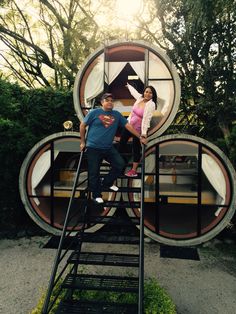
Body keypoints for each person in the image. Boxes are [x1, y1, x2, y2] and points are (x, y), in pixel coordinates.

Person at [80, 92, 147, 203]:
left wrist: (140, 137)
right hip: (93, 148)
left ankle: (106, 182)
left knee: (120, 164)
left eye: (111, 100)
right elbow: (82, 125)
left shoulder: (117, 114)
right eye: (107, 100)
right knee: (93, 172)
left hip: (108, 148)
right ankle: (96, 195)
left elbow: (128, 126)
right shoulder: (94, 112)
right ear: (102, 102)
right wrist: (82, 142)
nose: (110, 102)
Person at [119, 83, 157, 177]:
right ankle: (120, 165)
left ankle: (133, 170)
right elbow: (134, 93)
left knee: (136, 149)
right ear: (144, 92)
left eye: (150, 93)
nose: (148, 94)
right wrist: (129, 86)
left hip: (138, 130)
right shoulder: (140, 99)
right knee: (121, 145)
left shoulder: (151, 104)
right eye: (146, 92)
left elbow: (147, 119)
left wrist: (143, 134)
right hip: (129, 126)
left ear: (153, 95)